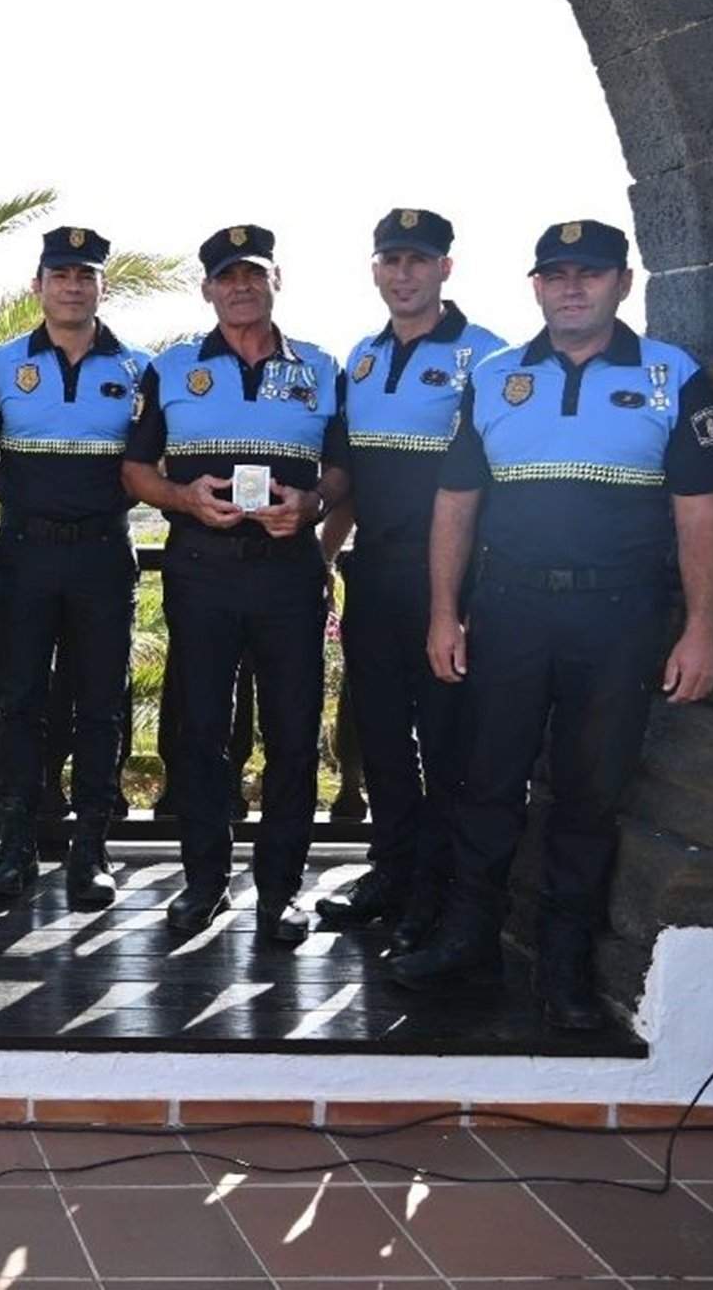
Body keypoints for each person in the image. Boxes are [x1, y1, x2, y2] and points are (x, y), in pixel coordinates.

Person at [392, 218, 713, 1030]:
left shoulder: (672, 375)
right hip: (509, 610)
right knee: (487, 778)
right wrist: (445, 611)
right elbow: (456, 502)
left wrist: (702, 629)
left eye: (590, 273)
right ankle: (469, 938)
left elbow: (700, 511)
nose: (572, 287)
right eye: (557, 274)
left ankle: (565, 963)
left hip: (620, 618)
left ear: (623, 283)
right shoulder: (496, 377)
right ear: (536, 286)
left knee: (590, 789)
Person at [123, 224, 348, 945]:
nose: (241, 287)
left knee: (292, 733)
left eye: (253, 274)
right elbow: (135, 470)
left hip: (288, 573)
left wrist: (312, 505)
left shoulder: (322, 368)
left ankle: (280, 891)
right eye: (227, 277)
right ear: (207, 289)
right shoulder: (170, 368)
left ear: (276, 281)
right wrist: (184, 499)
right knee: (199, 732)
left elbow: (344, 469)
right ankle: (204, 881)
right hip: (201, 570)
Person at [313, 209, 504, 950]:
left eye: (418, 260)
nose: (404, 274)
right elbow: (353, 478)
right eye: (391, 260)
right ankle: (391, 872)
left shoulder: (489, 358)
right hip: (375, 577)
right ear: (375, 270)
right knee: (383, 736)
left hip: (450, 585)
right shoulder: (360, 359)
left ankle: (437, 891)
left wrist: (464, 600)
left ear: (445, 268)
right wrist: (323, 553)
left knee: (449, 741)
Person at [0, 226, 146, 909]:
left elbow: (152, 462)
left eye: (85, 276)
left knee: (102, 705)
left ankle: (91, 849)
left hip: (103, 554)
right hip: (26, 554)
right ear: (38, 285)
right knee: (17, 700)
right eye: (60, 275)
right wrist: (30, 506)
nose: (73, 287)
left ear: (103, 287)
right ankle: (16, 844)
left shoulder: (139, 368)